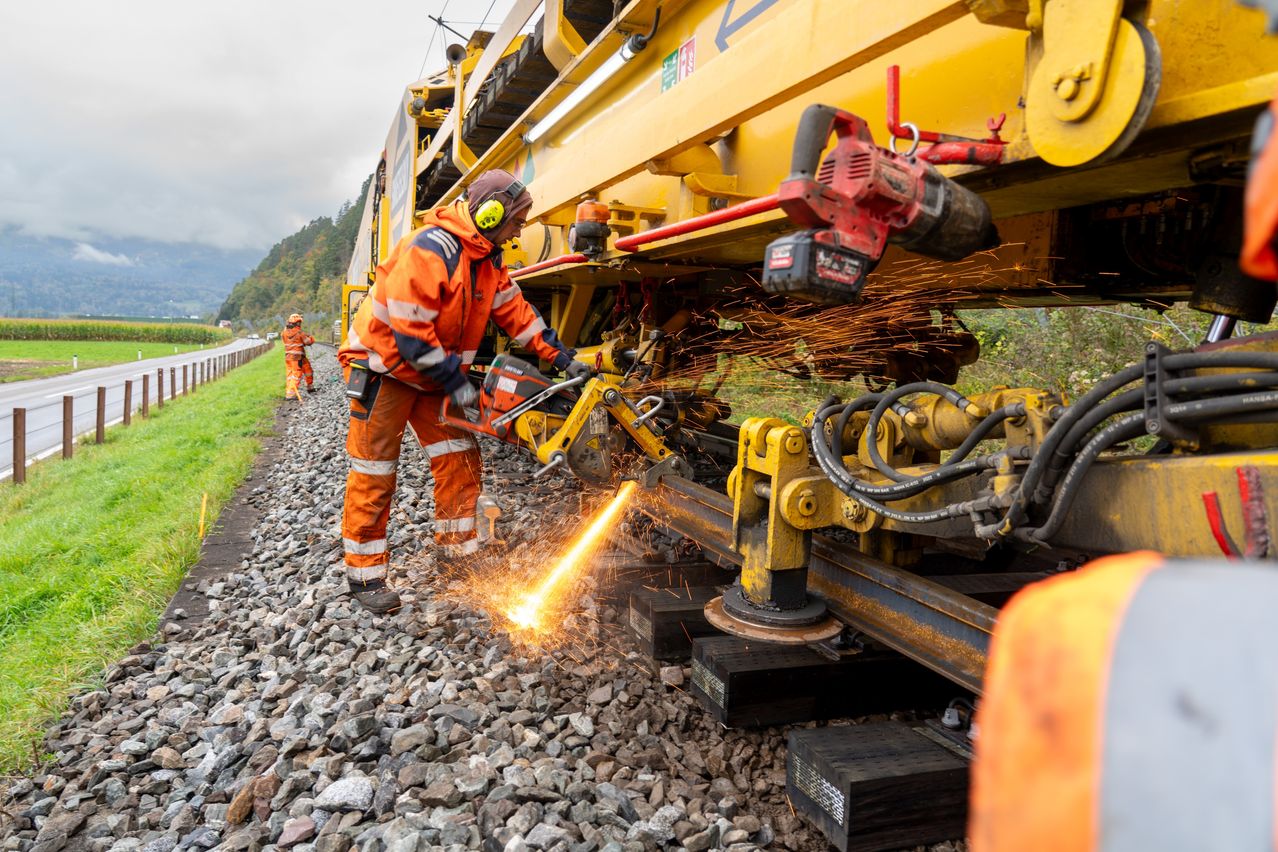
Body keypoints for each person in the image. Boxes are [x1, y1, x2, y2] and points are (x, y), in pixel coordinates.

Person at [337, 169, 592, 613]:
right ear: (491, 213)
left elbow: (519, 316)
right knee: (375, 469)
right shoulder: (429, 250)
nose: (519, 230)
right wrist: (459, 386)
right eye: (517, 220)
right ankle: (366, 575)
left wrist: (564, 359)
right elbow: (411, 336)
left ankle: (456, 554)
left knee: (458, 454)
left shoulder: (488, 262)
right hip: (385, 369)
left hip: (432, 374)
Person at [282, 313, 315, 398]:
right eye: (299, 322)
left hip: (288, 357)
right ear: (296, 323)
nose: (300, 324)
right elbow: (307, 342)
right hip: (297, 358)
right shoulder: (299, 332)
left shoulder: (284, 332)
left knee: (291, 374)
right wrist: (311, 338)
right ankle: (291, 393)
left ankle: (309, 386)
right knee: (296, 374)